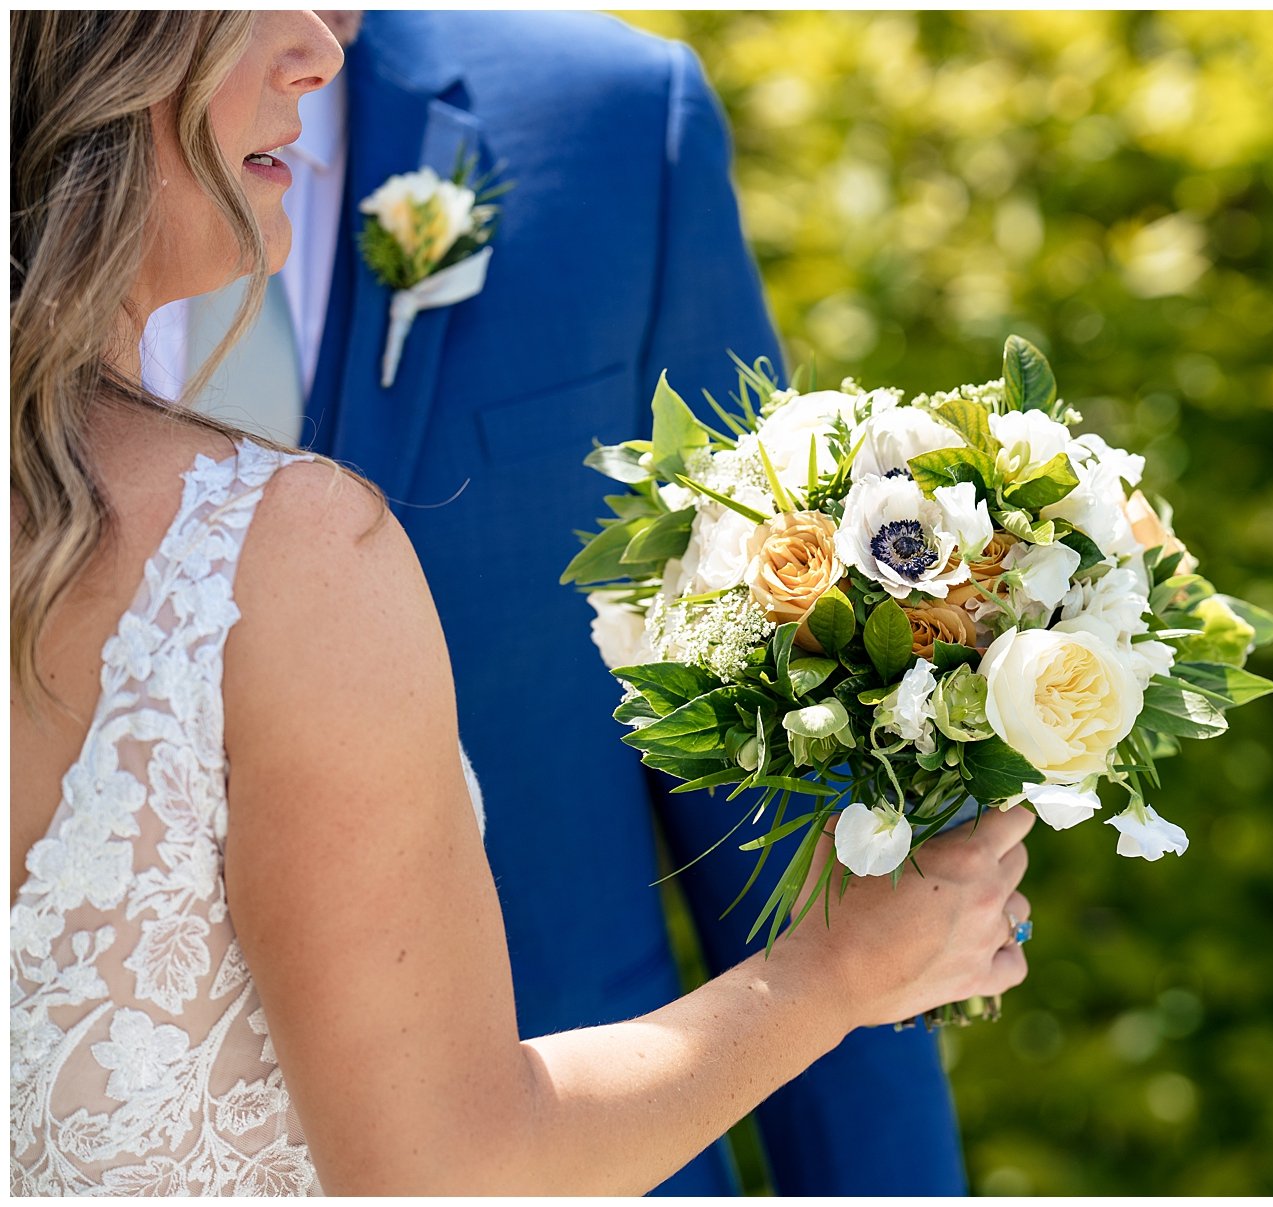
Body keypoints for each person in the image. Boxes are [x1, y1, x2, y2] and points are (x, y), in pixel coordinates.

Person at [10, 10, 1032, 1195]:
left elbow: (770, 730)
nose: (315, 46)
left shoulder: (608, 125)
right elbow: (446, 1166)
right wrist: (844, 971)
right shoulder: (294, 539)